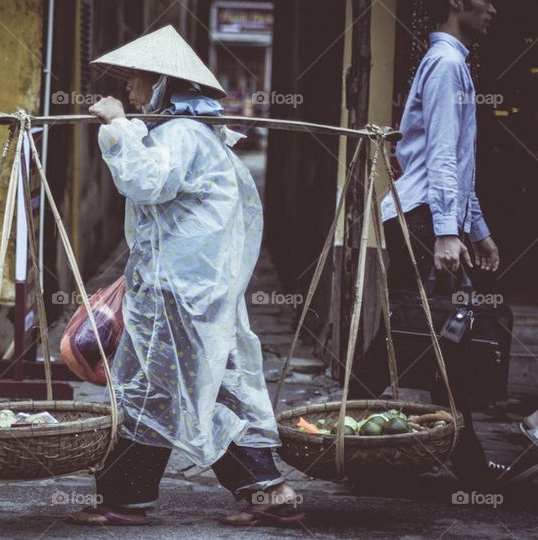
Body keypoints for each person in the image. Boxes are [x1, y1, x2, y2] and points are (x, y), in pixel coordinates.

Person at [65, 26, 302, 527]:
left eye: (136, 80)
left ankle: (130, 499)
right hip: (193, 286)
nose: (128, 89)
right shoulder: (191, 133)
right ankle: (262, 491)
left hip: (184, 290)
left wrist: (118, 126)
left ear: (161, 84)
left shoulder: (182, 134)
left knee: (164, 388)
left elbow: (146, 181)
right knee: (194, 387)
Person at [350, 0, 522, 487]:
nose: (493, 9)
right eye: (485, 0)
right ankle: (461, 462)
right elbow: (443, 157)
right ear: (455, 4)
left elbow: (456, 161)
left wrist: (477, 228)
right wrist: (449, 231)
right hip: (424, 219)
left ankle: (351, 444)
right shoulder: (447, 64)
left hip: (426, 215)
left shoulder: (451, 62)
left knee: (415, 335)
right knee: (420, 334)